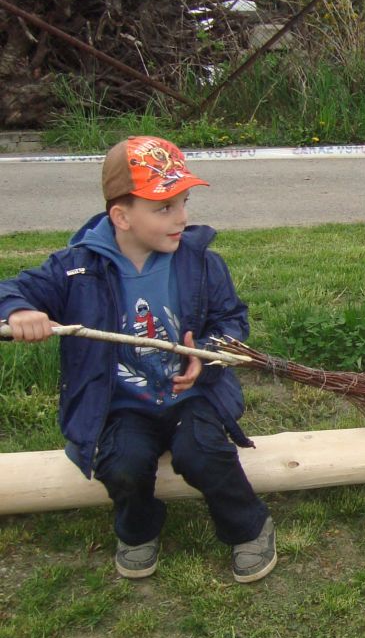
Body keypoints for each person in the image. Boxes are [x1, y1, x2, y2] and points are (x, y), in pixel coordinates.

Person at [0, 136, 276, 583]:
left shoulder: (201, 263)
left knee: (204, 454)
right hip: (120, 404)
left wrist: (207, 354)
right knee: (123, 464)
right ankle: (138, 529)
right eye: (164, 208)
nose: (181, 218)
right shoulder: (75, 269)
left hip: (192, 398)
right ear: (121, 216)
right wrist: (18, 312)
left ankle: (248, 526)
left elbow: (232, 321)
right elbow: (10, 290)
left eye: (183, 203)